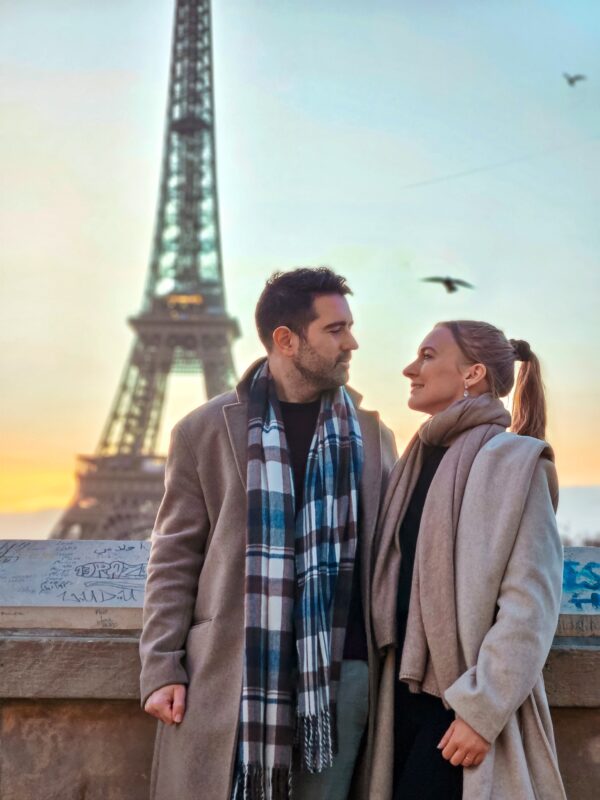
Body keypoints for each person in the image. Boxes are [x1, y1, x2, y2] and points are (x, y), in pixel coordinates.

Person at [139, 267, 397, 800]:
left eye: (349, 327)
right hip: (234, 668)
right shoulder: (204, 431)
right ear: (286, 339)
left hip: (340, 674)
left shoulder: (373, 435)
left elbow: (395, 553)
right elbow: (174, 557)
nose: (352, 342)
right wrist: (161, 665)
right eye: (335, 330)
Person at [369, 320, 566, 800]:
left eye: (428, 355)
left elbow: (531, 604)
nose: (410, 368)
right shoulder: (411, 463)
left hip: (462, 707)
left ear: (473, 373)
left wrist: (480, 712)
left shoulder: (516, 462)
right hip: (399, 698)